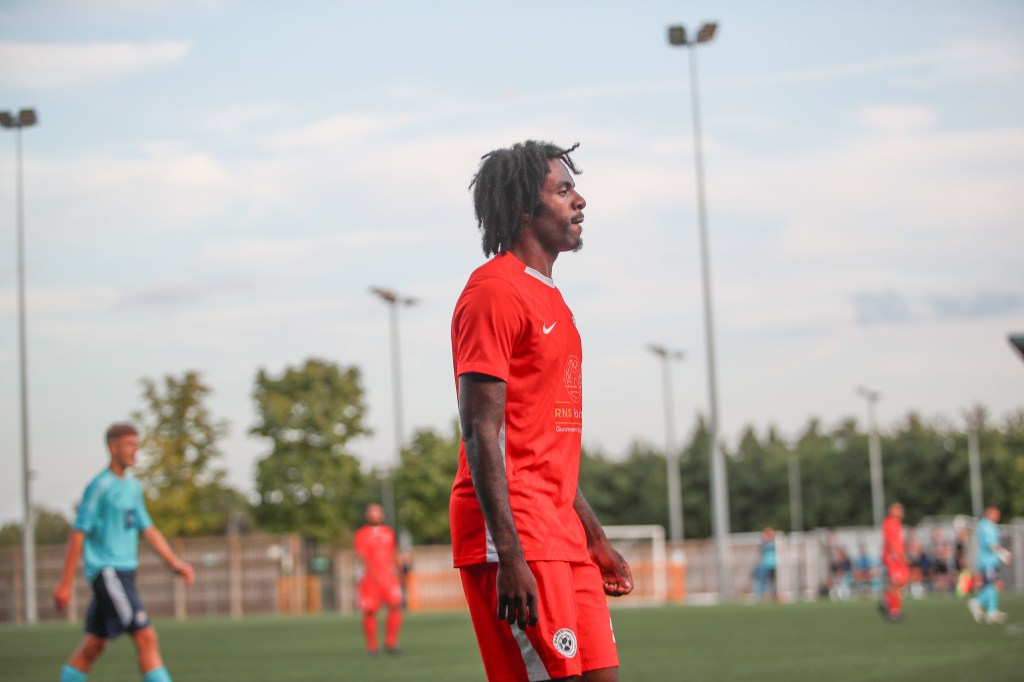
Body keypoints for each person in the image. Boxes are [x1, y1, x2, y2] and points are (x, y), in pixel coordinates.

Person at [451, 140, 633, 682]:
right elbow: (480, 431)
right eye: (563, 190)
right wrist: (510, 555)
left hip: (563, 535)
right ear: (523, 208)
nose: (580, 200)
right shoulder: (493, 292)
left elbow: (544, 444)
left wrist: (593, 537)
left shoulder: (553, 301)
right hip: (516, 534)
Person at [52, 423, 194, 682]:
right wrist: (65, 583)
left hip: (125, 574)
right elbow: (78, 533)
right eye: (129, 445)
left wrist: (175, 563)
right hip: (108, 572)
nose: (135, 451)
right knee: (146, 637)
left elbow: (148, 530)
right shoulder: (99, 486)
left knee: (94, 644)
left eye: (136, 445)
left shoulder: (132, 488)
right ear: (113, 447)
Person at [353, 503, 403, 654]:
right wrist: (372, 574)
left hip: (388, 578)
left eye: (378, 511)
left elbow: (394, 553)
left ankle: (391, 642)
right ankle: (372, 646)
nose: (375, 514)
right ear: (367, 515)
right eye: (372, 512)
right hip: (370, 579)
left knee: (395, 606)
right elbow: (361, 556)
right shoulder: (362, 534)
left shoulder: (388, 532)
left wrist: (398, 571)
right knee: (369, 611)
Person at [968, 505, 1013, 624]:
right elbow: (990, 545)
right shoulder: (986, 526)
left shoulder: (990, 526)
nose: (997, 516)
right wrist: (1003, 554)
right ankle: (977, 602)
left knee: (995, 585)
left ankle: (992, 611)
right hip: (987, 562)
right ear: (989, 514)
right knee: (992, 585)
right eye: (995, 514)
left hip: (992, 561)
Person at [879, 502, 908, 622]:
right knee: (897, 582)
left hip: (895, 557)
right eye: (898, 509)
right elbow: (892, 542)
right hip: (893, 557)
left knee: (901, 581)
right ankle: (894, 611)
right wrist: (899, 556)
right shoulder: (890, 523)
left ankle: (886, 600)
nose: (901, 511)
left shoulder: (896, 523)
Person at [752, 527, 778, 603]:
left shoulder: (775, 543)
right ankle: (761, 597)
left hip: (773, 565)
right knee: (763, 582)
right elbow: (760, 553)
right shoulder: (763, 544)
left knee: (773, 582)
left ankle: (774, 596)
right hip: (764, 565)